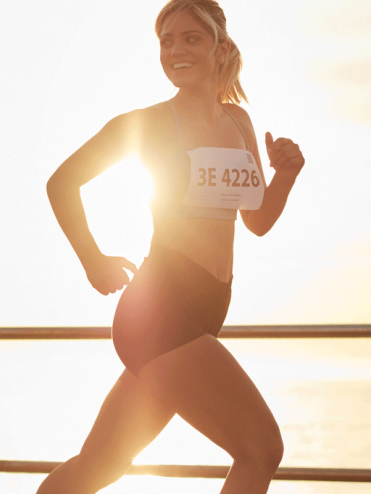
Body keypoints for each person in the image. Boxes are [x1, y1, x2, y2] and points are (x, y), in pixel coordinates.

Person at [37, 1, 307, 493]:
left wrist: (285, 176)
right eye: (166, 40)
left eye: (191, 38)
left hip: (206, 311)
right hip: (159, 312)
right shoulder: (150, 123)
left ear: (220, 46)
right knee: (261, 448)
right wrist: (92, 260)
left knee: (98, 466)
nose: (175, 50)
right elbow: (62, 183)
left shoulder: (239, 124)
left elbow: (258, 220)